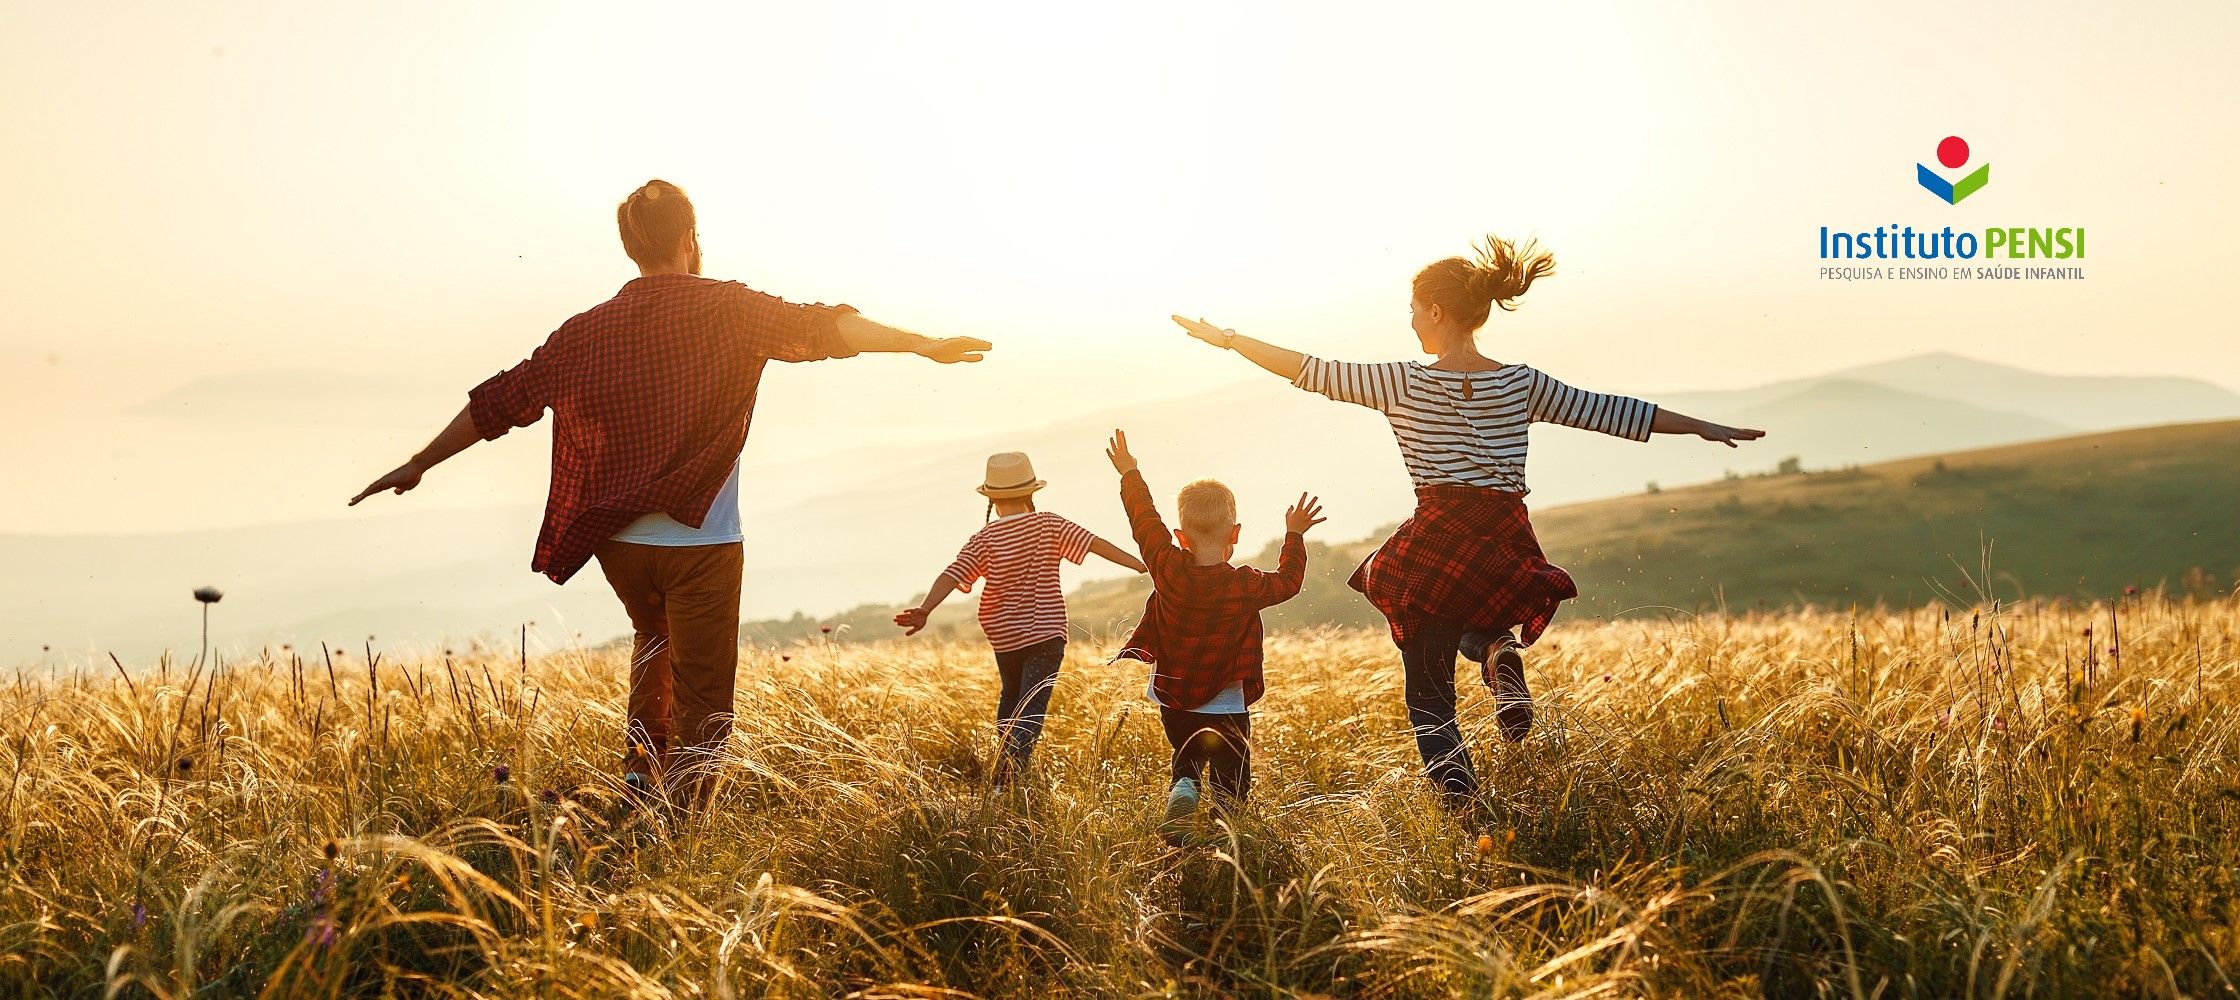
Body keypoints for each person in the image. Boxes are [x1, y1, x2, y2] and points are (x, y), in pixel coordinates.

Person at [350, 179, 991, 810]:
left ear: (631, 246)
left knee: (652, 643)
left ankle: (639, 780)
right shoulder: (729, 310)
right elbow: (826, 328)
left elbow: (502, 400)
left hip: (619, 545)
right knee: (705, 695)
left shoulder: (585, 332)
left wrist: (418, 462)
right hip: (702, 542)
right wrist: (920, 345)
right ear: (690, 238)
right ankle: (678, 825)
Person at [1171, 235, 1763, 810]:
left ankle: (1466, 812)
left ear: (1435, 309)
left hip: (1438, 535)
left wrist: (1227, 340)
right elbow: (1612, 412)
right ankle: (1497, 652)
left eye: (1412, 310)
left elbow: (1306, 368)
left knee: (1429, 698)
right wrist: (1704, 428)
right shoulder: (1520, 382)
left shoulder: (1401, 381)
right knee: (1477, 618)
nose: (1409, 323)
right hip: (1504, 536)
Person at [1103, 429, 1318, 843]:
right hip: (1227, 700)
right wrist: (1294, 535)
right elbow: (1289, 581)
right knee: (1231, 776)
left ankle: (1184, 785)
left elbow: (1144, 522)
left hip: (1173, 695)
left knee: (1187, 758)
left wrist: (1130, 473)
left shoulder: (1167, 567)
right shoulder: (1245, 585)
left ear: (1181, 537)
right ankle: (1225, 838)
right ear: (1235, 534)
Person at [892, 452, 1146, 783]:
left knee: (1010, 698)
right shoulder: (1049, 524)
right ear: (1030, 492)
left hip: (1004, 636)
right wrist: (1140, 563)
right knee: (1031, 706)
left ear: (993, 499)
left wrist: (925, 609)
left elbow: (952, 574)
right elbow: (1095, 544)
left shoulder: (984, 539)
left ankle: (1005, 768)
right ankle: (1009, 775)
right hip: (1045, 632)